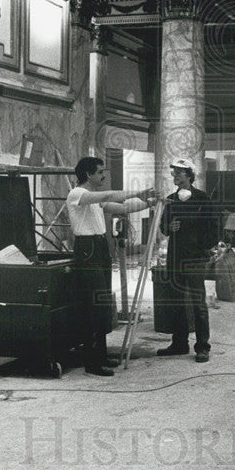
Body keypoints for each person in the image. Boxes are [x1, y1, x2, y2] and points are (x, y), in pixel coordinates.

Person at [66, 157, 154, 376]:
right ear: (88, 174)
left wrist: (149, 202)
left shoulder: (94, 200)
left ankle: (101, 355)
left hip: (99, 246)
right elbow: (107, 195)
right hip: (87, 250)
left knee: (102, 302)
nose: (103, 176)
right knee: (91, 305)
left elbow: (122, 207)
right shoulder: (78, 195)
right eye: (100, 172)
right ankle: (91, 363)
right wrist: (137, 191)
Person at [158, 158, 220, 363]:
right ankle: (179, 344)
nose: (175, 176)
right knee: (176, 302)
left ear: (189, 176)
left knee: (197, 303)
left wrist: (203, 248)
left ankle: (202, 347)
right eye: (174, 173)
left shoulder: (203, 199)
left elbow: (214, 227)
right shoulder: (170, 200)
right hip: (175, 257)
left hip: (194, 259)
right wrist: (169, 228)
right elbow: (163, 226)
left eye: (179, 173)